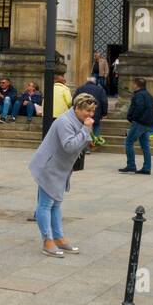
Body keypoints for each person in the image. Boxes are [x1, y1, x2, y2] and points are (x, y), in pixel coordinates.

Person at [28, 93, 95, 257]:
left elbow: (80, 141)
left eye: (92, 111)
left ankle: (58, 238)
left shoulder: (78, 120)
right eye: (87, 111)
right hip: (49, 167)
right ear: (77, 108)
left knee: (56, 203)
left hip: (60, 168)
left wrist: (88, 137)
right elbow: (70, 146)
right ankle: (47, 241)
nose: (90, 115)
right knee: (45, 205)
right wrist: (86, 129)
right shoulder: (64, 121)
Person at [119, 77, 153, 175]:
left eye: (133, 84)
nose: (132, 85)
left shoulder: (139, 95)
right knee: (145, 146)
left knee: (129, 142)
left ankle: (131, 166)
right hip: (147, 123)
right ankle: (147, 168)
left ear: (136, 85)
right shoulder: (148, 95)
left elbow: (139, 107)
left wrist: (132, 117)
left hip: (140, 122)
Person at [73, 77, 108, 146]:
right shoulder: (100, 89)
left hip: (82, 113)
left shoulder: (80, 88)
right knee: (96, 126)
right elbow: (104, 102)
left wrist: (75, 111)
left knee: (83, 128)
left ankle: (86, 147)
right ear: (95, 82)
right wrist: (104, 113)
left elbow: (74, 100)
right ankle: (95, 144)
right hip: (96, 112)